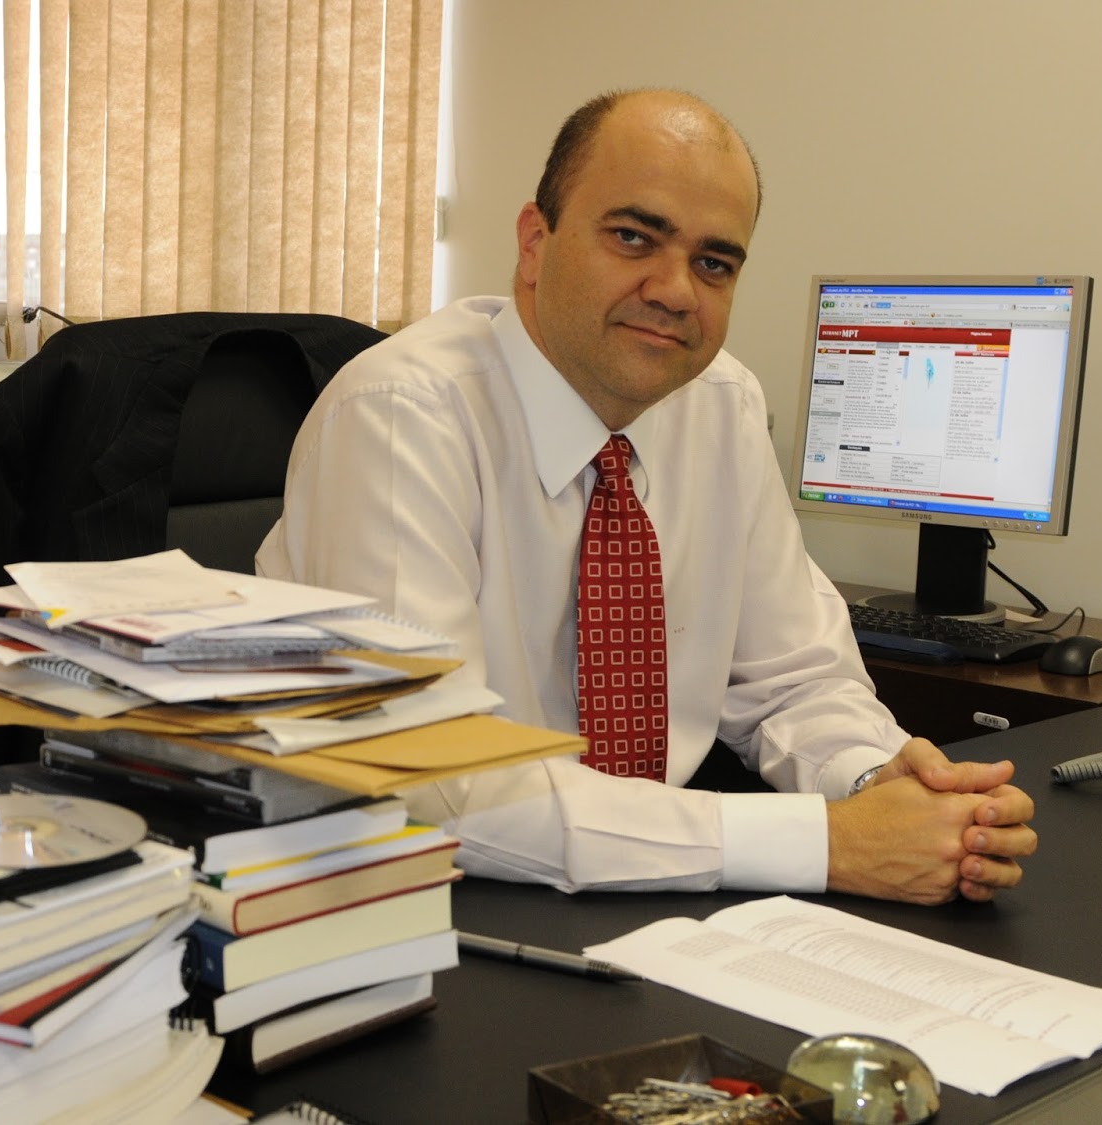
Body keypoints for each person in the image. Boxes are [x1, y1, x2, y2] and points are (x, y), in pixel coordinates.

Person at [256, 88, 1036, 904]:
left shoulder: (722, 404)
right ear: (534, 243)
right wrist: (830, 842)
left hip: (666, 882)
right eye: (634, 237)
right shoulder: (399, 416)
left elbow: (794, 679)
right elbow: (434, 779)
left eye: (714, 263)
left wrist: (883, 783)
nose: (675, 290)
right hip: (415, 899)